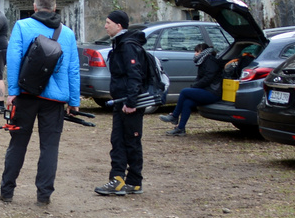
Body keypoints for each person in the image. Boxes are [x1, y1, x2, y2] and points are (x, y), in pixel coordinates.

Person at [0, 0, 80, 205]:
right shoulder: (68, 34)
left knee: (17, 144)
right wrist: (74, 101)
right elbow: (73, 69)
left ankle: (7, 191)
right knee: (49, 147)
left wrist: (13, 91)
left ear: (34, 7)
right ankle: (44, 195)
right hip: (55, 100)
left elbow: (14, 59)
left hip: (26, 94)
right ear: (54, 8)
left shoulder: (22, 27)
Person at [95, 10, 149, 197]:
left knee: (129, 140)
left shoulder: (127, 46)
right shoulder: (120, 44)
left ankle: (128, 181)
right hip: (121, 102)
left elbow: (135, 74)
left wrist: (132, 101)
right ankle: (124, 180)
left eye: (108, 22)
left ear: (119, 26)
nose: (105, 25)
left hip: (129, 103)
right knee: (120, 140)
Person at [161, 43, 226, 135]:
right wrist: (195, 86)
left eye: (197, 51)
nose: (195, 54)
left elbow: (208, 78)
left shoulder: (210, 61)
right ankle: (180, 129)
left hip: (213, 92)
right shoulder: (203, 61)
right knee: (187, 103)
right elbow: (201, 78)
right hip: (207, 90)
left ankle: (174, 116)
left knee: (184, 91)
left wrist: (195, 86)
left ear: (203, 52)